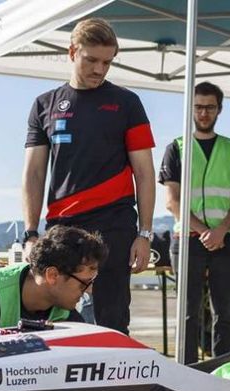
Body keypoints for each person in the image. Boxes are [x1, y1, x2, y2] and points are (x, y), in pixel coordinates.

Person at [21, 17, 155, 336]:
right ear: (72, 52)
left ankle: (115, 386)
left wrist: (145, 234)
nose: (99, 70)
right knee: (55, 318)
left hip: (114, 223)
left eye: (107, 62)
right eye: (91, 60)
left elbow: (145, 173)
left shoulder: (127, 103)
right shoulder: (44, 105)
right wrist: (29, 232)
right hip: (62, 228)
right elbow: (34, 173)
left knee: (111, 318)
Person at [159, 81, 230, 364]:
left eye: (210, 107)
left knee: (225, 311)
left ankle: (223, 368)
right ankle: (185, 370)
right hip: (188, 239)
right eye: (198, 107)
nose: (203, 113)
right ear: (191, 109)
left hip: (227, 238)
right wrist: (205, 232)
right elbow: (172, 201)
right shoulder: (176, 148)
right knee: (188, 312)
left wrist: (221, 231)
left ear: (219, 110)